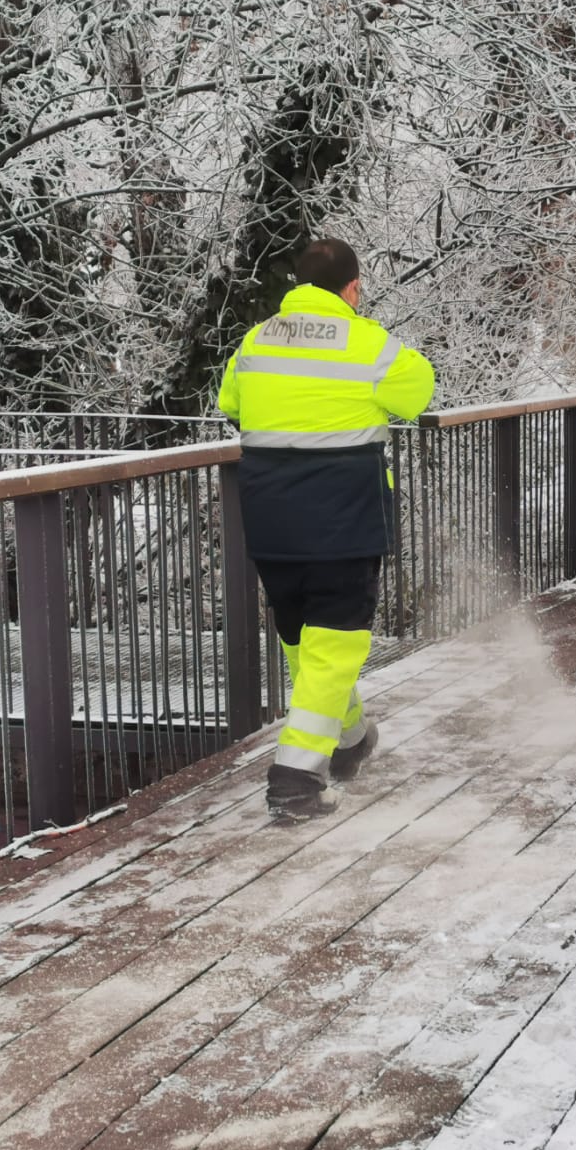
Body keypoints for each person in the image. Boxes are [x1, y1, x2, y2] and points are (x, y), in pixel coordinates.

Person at [217, 238, 436, 819]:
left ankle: (350, 737)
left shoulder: (256, 339)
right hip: (342, 515)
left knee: (304, 640)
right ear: (353, 288)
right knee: (335, 646)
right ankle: (294, 777)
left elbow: (230, 401)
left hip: (269, 516)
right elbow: (417, 394)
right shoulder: (367, 343)